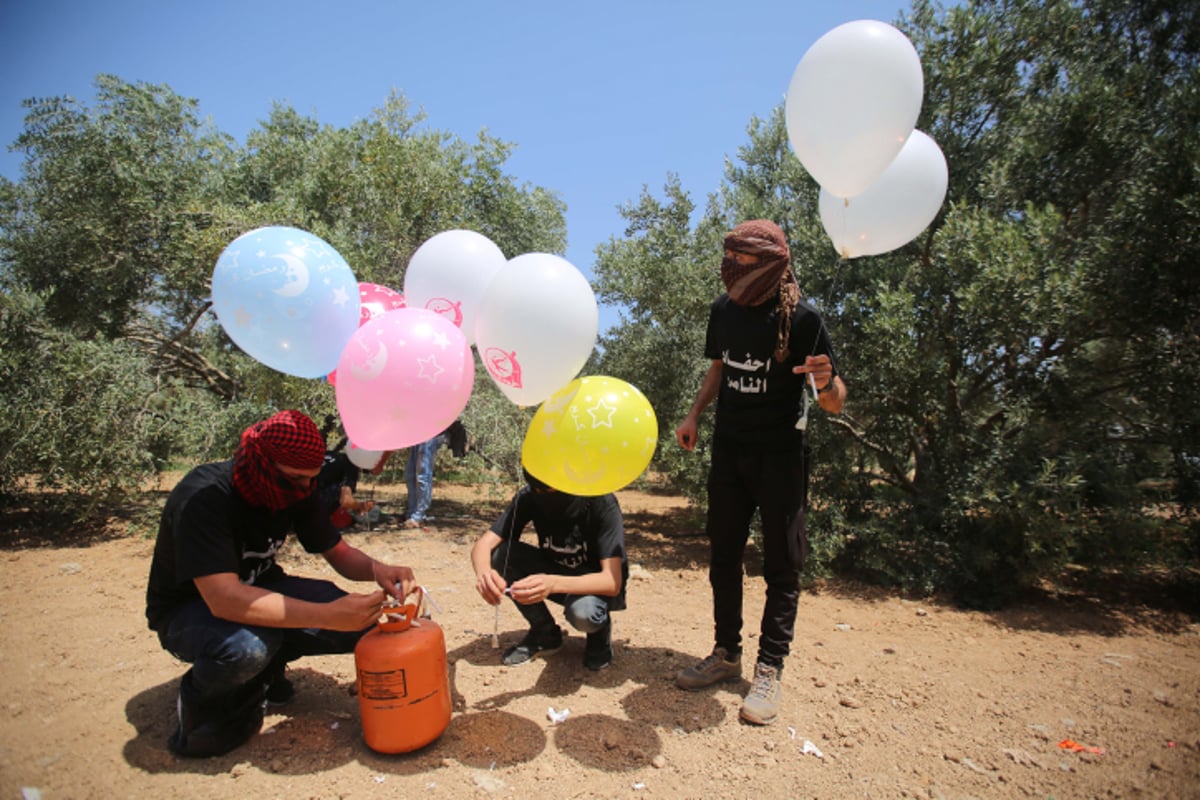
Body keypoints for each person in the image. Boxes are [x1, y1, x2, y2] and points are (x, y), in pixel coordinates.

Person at [145, 410, 417, 758]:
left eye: (311, 481)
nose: (305, 489)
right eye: (297, 480)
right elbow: (224, 600)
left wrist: (380, 570)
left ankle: (266, 672)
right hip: (190, 611)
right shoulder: (204, 497)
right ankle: (203, 702)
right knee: (246, 648)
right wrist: (327, 615)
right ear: (262, 464)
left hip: (262, 590)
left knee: (361, 624)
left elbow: (337, 552)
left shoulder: (295, 488)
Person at [673, 219, 846, 726]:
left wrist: (828, 380)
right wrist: (694, 414)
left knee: (782, 566)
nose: (732, 269)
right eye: (730, 259)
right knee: (722, 556)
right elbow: (720, 367)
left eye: (743, 262)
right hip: (729, 451)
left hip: (780, 458)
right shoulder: (723, 310)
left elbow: (834, 403)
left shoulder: (804, 319)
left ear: (769, 264)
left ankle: (769, 668)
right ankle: (726, 654)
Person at [471, 468, 627, 671]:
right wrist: (485, 575)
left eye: (551, 491)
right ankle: (544, 633)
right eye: (538, 490)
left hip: (591, 587)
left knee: (585, 613)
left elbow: (612, 581)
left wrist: (551, 583)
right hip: (553, 573)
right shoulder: (530, 496)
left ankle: (598, 634)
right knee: (501, 555)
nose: (544, 496)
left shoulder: (600, 501)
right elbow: (483, 546)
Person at [403, 419, 465, 529]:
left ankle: (419, 516)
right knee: (411, 474)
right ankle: (411, 513)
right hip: (419, 430)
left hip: (434, 430)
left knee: (422, 474)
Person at [317, 448, 391, 529]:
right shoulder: (351, 467)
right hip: (314, 507)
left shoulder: (331, 455)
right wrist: (361, 506)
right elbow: (346, 501)